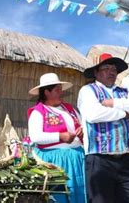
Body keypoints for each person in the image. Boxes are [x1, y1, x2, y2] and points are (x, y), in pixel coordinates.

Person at [77, 53, 129, 203]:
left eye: (114, 69)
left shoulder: (125, 91)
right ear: (96, 72)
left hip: (125, 158)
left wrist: (113, 103)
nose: (111, 72)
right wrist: (123, 113)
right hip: (99, 159)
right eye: (106, 68)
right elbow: (93, 114)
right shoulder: (88, 91)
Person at [27, 72, 85, 203]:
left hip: (76, 159)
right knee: (58, 195)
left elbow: (82, 126)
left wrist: (82, 131)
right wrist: (60, 136)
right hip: (55, 161)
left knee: (78, 192)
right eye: (57, 90)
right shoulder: (38, 112)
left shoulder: (70, 109)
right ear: (47, 92)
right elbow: (35, 137)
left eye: (61, 89)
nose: (61, 92)